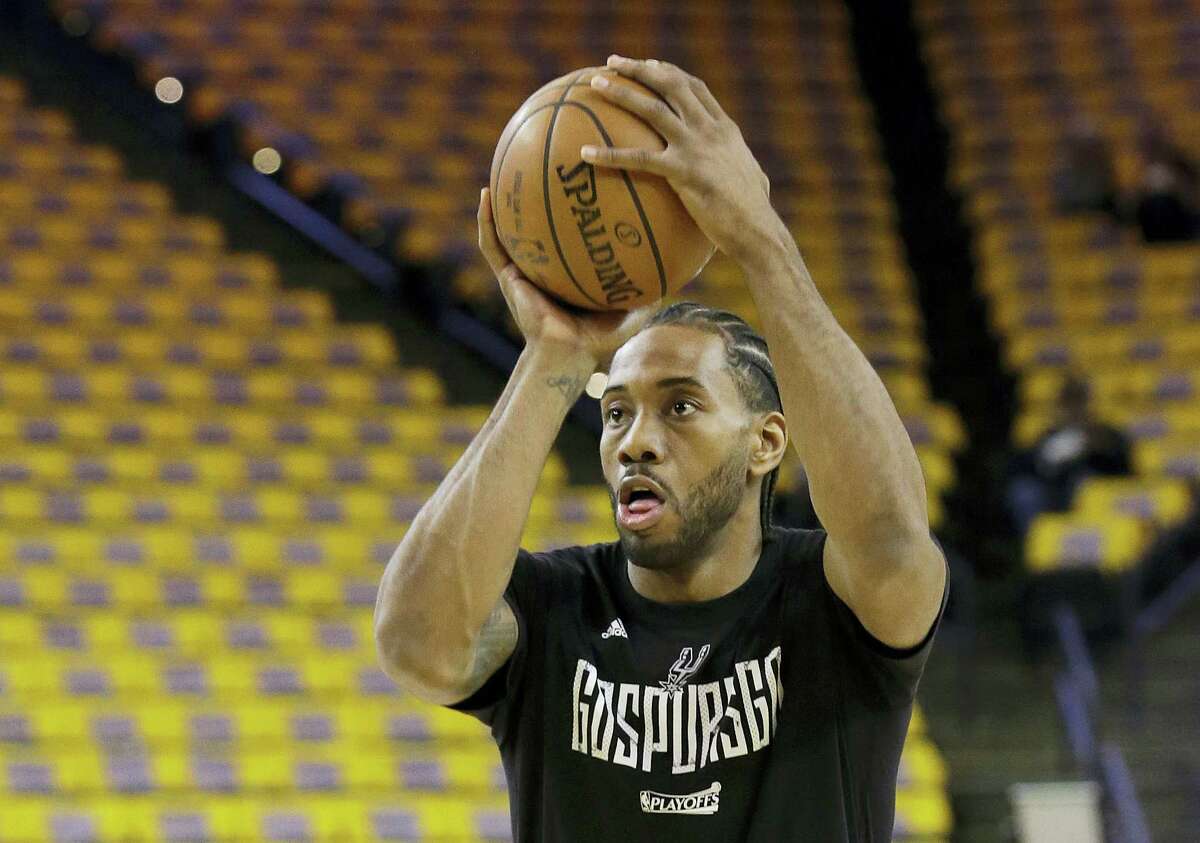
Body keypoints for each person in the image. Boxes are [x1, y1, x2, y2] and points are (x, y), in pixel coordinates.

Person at [374, 55, 948, 842]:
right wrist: (555, 357)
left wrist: (761, 242)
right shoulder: (555, 610)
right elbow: (414, 644)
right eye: (614, 413)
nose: (635, 441)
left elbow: (890, 538)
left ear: (766, 441)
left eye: (680, 406)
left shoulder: (828, 604)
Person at [1006, 374, 1132, 536]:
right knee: (1024, 492)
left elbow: (1124, 472)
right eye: (1068, 404)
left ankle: (1086, 539)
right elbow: (1021, 469)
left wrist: (1097, 449)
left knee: (1086, 483)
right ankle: (1041, 542)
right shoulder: (1049, 436)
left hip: (1093, 498)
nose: (1074, 410)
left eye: (1079, 403)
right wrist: (1044, 458)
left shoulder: (1106, 434)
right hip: (1052, 493)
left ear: (1089, 405)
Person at [1053, 115, 1119, 218]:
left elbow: (1110, 203)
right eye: (1082, 147)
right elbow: (1063, 207)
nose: (1087, 151)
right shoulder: (1062, 174)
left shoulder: (1104, 172)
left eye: (1091, 146)